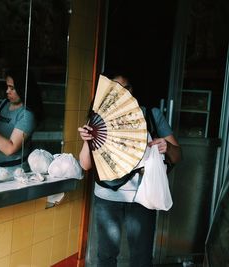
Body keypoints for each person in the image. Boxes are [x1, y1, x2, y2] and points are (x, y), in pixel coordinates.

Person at [78, 74, 182, 267]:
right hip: (107, 196)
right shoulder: (98, 118)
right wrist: (87, 141)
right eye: (115, 88)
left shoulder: (151, 115)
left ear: (133, 92)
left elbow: (177, 156)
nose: (120, 92)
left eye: (126, 88)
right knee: (106, 256)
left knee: (141, 258)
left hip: (142, 197)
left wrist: (167, 148)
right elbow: (85, 165)